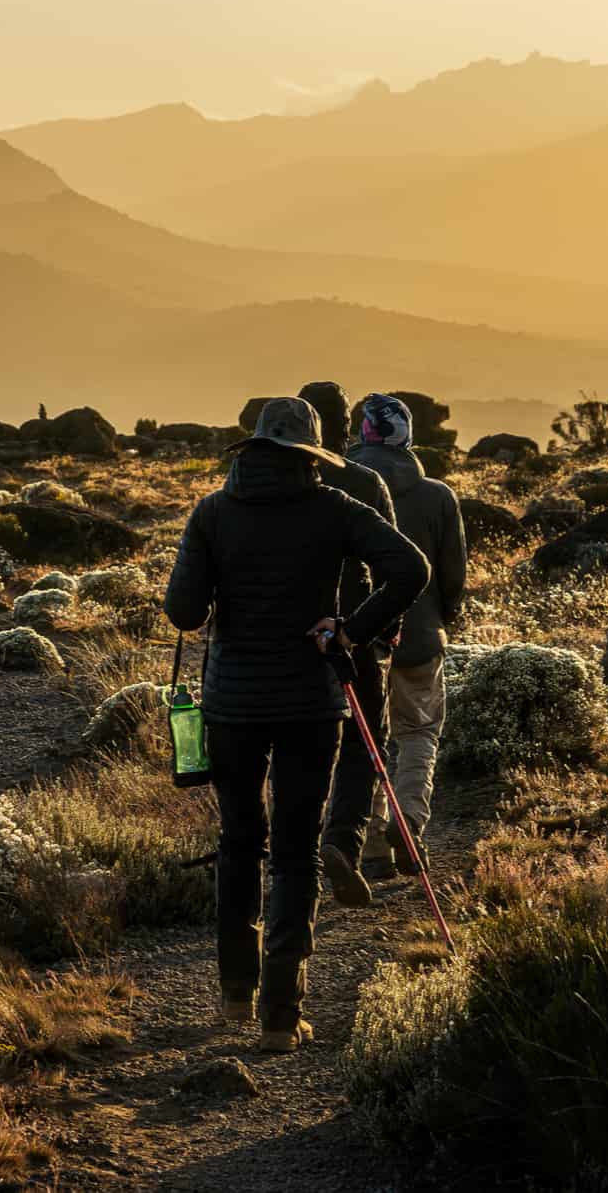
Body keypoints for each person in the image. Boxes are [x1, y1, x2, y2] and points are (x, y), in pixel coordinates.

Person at [164, 397, 427, 1053]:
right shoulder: (335, 509)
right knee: (294, 851)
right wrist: (352, 628)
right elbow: (410, 568)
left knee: (238, 840)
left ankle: (234, 992)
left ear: (252, 449)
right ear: (311, 454)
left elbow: (183, 611)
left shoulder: (212, 512)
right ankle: (281, 1015)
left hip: (231, 705)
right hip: (312, 702)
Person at [346, 394, 467, 880]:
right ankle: (409, 821)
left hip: (357, 636)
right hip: (419, 636)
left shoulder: (341, 484)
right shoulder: (437, 495)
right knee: (417, 732)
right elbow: (453, 571)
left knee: (365, 738)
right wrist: (443, 614)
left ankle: (373, 845)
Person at [295, 381, 398, 911]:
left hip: (288, 637)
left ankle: (296, 854)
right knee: (364, 743)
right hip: (353, 633)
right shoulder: (366, 482)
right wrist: (380, 627)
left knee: (296, 745)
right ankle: (342, 843)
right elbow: (395, 567)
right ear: (346, 426)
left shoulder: (270, 483)